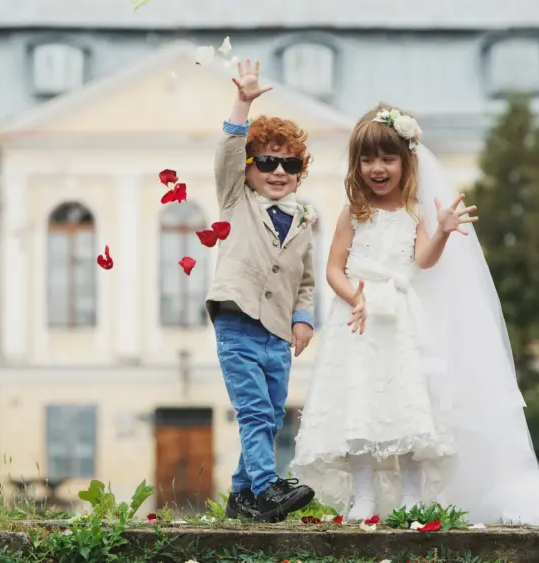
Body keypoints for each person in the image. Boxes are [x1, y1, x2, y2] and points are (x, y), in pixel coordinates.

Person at [292, 106, 539, 563]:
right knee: (359, 402)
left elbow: (423, 262)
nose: (378, 169)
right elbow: (333, 267)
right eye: (368, 160)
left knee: (408, 401)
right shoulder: (351, 214)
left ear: (406, 161)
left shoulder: (413, 213)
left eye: (388, 159)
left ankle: (413, 492)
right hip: (359, 318)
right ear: (356, 165)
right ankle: (364, 494)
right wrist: (355, 296)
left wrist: (443, 233)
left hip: (401, 319)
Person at [207, 58, 318, 523]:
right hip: (238, 324)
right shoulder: (237, 199)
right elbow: (229, 152)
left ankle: (241, 496)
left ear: (299, 172)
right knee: (254, 413)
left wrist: (304, 318)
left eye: (288, 164)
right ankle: (267, 486)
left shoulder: (304, 219)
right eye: (266, 161)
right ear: (249, 169)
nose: (277, 171)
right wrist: (242, 103)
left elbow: (306, 280)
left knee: (271, 416)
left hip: (276, 335)